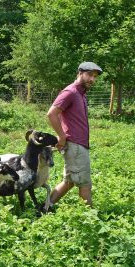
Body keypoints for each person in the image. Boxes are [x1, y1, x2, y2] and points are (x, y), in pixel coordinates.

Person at [46, 61, 102, 209]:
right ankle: (91, 219)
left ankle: (45, 207)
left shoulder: (81, 95)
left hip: (78, 144)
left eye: (95, 77)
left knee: (69, 181)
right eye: (90, 75)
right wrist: (61, 136)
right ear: (79, 73)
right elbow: (52, 114)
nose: (92, 79)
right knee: (85, 184)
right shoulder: (70, 92)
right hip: (75, 145)